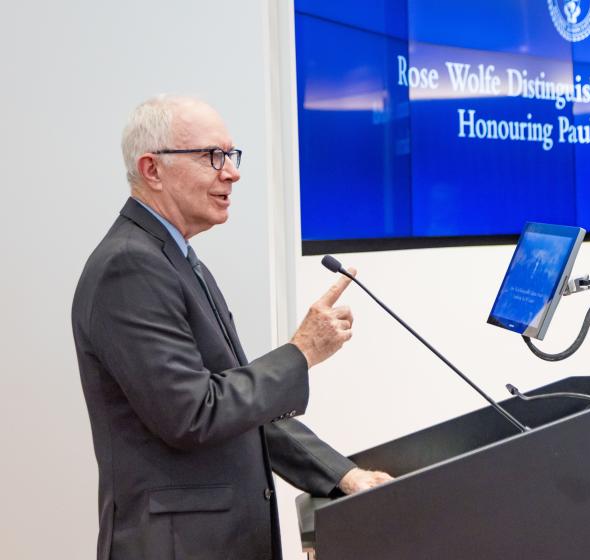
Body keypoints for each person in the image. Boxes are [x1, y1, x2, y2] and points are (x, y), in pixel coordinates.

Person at [72, 95, 391, 560]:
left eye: (231, 155)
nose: (232, 172)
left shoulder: (176, 258)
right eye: (212, 156)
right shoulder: (130, 266)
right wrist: (301, 352)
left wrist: (341, 474)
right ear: (152, 169)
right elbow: (192, 414)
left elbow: (238, 406)